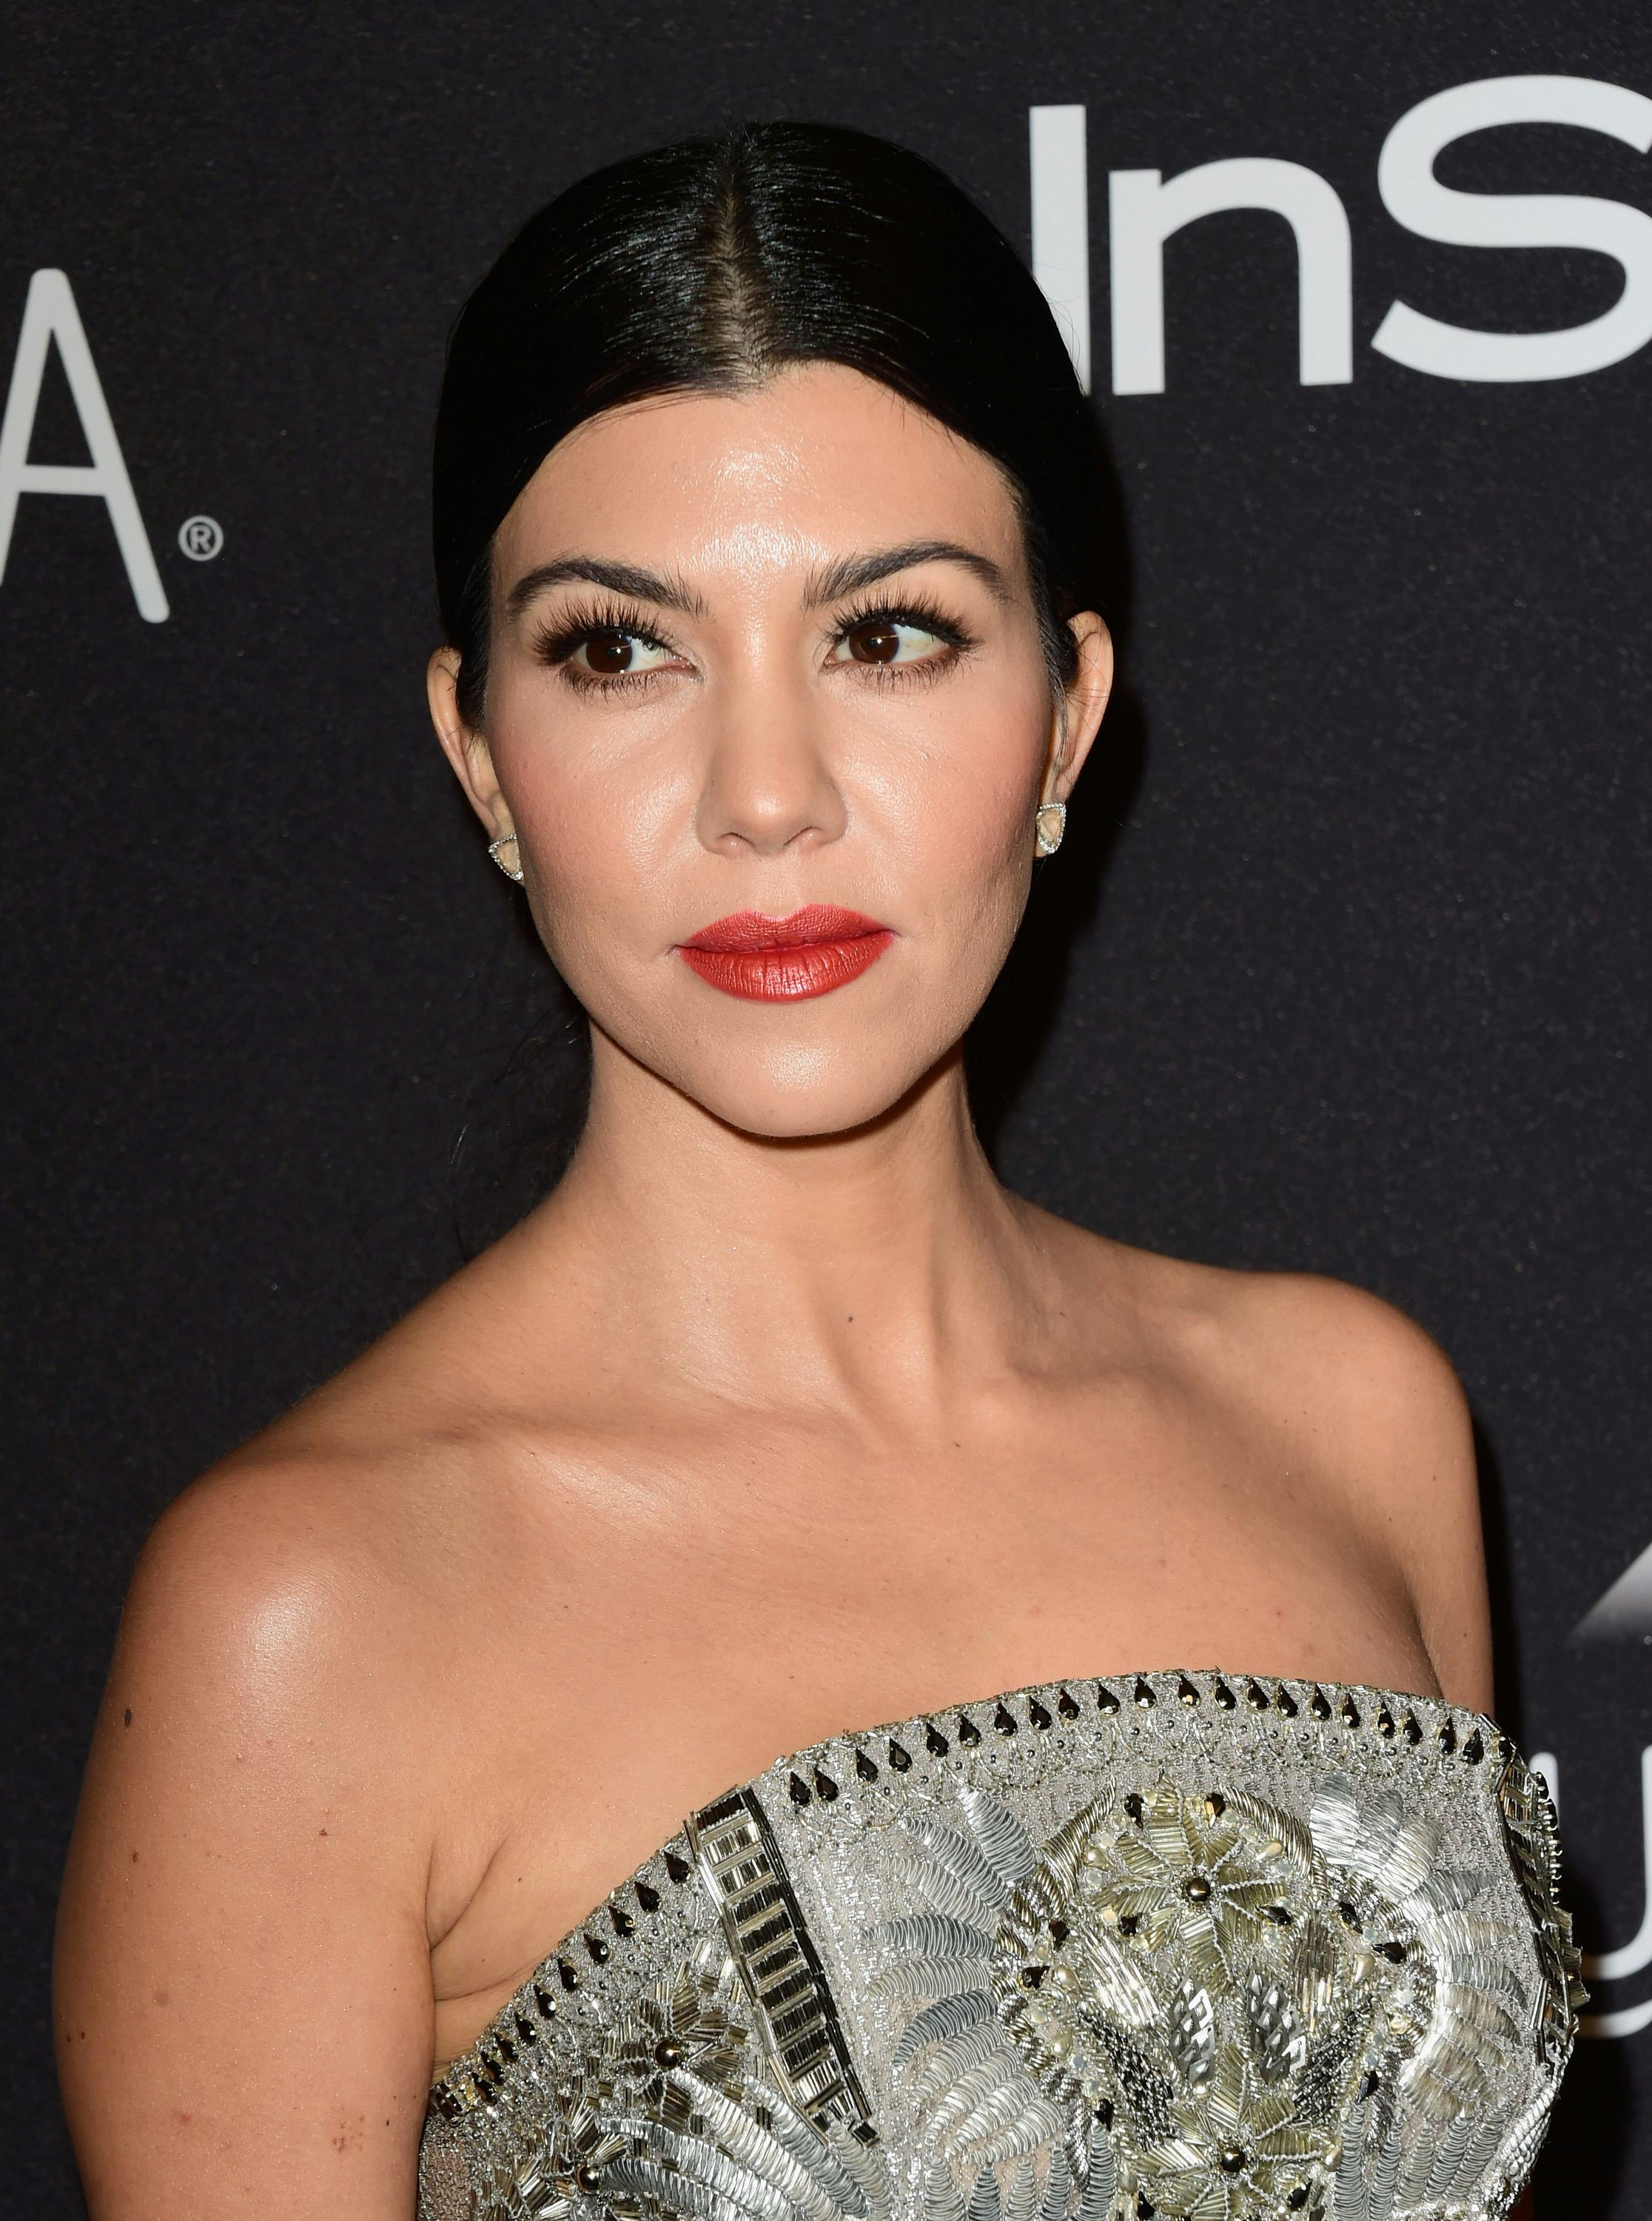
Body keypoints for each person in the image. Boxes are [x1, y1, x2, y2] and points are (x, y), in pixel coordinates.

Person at [55, 122, 1579, 2221]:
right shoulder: (310, 1623)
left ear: (1067, 718)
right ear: (481, 752)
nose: (765, 796)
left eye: (890, 636)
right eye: (620, 649)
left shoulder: (1354, 1422)